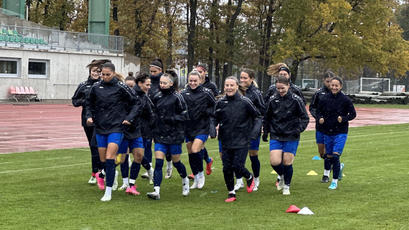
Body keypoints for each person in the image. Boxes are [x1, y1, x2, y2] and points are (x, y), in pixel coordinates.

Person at [85, 62, 139, 201]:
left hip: (116, 127)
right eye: (102, 74)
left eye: (107, 75)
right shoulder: (96, 87)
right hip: (100, 127)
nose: (104, 77)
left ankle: (108, 192)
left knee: (110, 158)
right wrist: (89, 116)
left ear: (114, 74)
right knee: (103, 160)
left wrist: (129, 118)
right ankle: (111, 174)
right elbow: (88, 103)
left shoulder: (121, 87)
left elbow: (136, 102)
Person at [213, 76, 261, 202]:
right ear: (224, 87)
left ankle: (249, 176)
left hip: (242, 139)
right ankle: (231, 192)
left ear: (236, 86)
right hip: (226, 139)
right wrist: (212, 127)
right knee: (226, 167)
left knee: (237, 165)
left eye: (231, 85)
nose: (229, 88)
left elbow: (257, 117)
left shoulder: (245, 102)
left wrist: (255, 131)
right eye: (227, 85)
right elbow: (214, 118)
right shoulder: (220, 103)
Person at [263, 75, 309, 195]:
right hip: (276, 134)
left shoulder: (296, 100)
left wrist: (298, 129)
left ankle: (287, 186)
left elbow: (305, 118)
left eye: (282, 88)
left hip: (291, 135)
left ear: (288, 86)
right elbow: (267, 117)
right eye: (278, 88)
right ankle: (282, 175)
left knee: (287, 162)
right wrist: (265, 131)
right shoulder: (273, 100)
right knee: (274, 162)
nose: (280, 91)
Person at [147, 72, 190, 200]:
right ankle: (156, 190)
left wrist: (172, 118)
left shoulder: (178, 97)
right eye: (161, 83)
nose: (162, 85)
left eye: (165, 83)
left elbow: (185, 115)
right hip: (160, 134)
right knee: (159, 162)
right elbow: (152, 112)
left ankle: (185, 179)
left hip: (175, 135)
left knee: (176, 162)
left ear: (171, 83)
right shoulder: (156, 96)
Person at [72, 59, 109, 184]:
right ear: (90, 71)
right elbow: (75, 101)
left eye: (99, 71)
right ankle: (95, 173)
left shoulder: (104, 84)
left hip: (101, 120)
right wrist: (85, 101)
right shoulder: (83, 85)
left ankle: (100, 171)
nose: (96, 73)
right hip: (87, 120)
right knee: (93, 147)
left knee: (97, 146)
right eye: (94, 71)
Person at [316, 76, 356, 190]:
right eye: (332, 85)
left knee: (335, 155)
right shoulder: (324, 99)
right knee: (328, 156)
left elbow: (353, 114)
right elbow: (318, 111)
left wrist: (343, 119)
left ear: (340, 86)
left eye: (336, 85)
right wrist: (320, 118)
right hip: (327, 131)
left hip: (341, 131)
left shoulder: (345, 100)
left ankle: (334, 181)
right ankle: (334, 170)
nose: (334, 87)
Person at [181, 71, 216, 190]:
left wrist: (207, 112)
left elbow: (214, 106)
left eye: (195, 81)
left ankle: (201, 175)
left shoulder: (207, 93)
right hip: (188, 127)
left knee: (195, 150)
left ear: (200, 80)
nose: (192, 83)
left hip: (202, 127)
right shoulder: (184, 93)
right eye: (190, 80)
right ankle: (195, 177)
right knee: (191, 152)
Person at [233, 68, 265, 192]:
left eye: (245, 78)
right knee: (237, 156)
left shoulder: (256, 93)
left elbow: (262, 112)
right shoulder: (236, 91)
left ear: (251, 79)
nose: (242, 80)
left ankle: (256, 179)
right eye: (241, 77)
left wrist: (258, 128)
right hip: (238, 129)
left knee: (253, 154)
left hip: (252, 129)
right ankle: (239, 180)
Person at [148, 59, 173, 179]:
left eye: (154, 71)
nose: (152, 73)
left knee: (165, 144)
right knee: (148, 143)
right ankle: (149, 167)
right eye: (151, 71)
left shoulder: (164, 82)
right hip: (151, 117)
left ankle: (169, 164)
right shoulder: (148, 82)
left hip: (164, 118)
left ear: (160, 70)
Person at [309, 71, 335, 183]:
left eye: (331, 82)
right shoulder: (318, 93)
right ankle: (334, 163)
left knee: (329, 150)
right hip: (320, 126)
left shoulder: (337, 93)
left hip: (333, 127)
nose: (330, 84)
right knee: (321, 152)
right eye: (327, 81)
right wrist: (318, 117)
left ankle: (326, 174)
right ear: (324, 81)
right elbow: (312, 107)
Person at [196, 64, 218, 176]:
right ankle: (208, 161)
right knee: (198, 146)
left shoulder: (211, 86)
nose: (198, 73)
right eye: (196, 71)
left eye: (200, 71)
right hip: (195, 120)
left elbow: (215, 103)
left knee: (199, 146)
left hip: (206, 119)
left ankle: (198, 172)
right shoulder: (191, 85)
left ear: (205, 73)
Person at [135, 73, 155, 185]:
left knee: (139, 154)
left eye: (149, 84)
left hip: (144, 130)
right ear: (139, 84)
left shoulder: (145, 97)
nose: (149, 87)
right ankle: (126, 181)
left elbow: (151, 114)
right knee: (125, 155)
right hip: (132, 129)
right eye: (147, 84)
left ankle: (149, 170)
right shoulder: (133, 95)